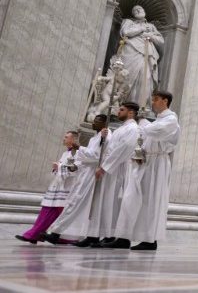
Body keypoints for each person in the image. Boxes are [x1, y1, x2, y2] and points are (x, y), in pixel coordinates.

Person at [106, 91, 180, 251]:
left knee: (150, 201)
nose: (153, 102)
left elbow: (155, 131)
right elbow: (144, 139)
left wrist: (143, 123)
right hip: (145, 162)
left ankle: (149, 239)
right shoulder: (158, 120)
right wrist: (138, 153)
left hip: (157, 164)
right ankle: (124, 237)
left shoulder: (171, 119)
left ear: (165, 101)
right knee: (130, 198)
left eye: (156, 100)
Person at [44, 116, 109, 246]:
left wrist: (79, 148)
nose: (93, 123)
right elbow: (86, 157)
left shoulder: (106, 136)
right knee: (74, 203)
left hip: (92, 175)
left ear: (104, 123)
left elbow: (97, 156)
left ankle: (57, 234)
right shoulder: (94, 138)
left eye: (96, 121)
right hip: (85, 173)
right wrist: (76, 165)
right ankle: (63, 234)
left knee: (75, 203)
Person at [16, 131, 80, 244]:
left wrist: (59, 166)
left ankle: (35, 235)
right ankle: (36, 234)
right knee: (46, 212)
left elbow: (75, 170)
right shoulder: (66, 153)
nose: (63, 139)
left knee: (52, 214)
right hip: (58, 187)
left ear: (73, 140)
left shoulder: (77, 153)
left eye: (66, 137)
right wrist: (57, 168)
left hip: (65, 189)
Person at [90, 102, 140, 247]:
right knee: (108, 202)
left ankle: (114, 235)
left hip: (119, 169)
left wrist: (105, 167)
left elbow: (123, 149)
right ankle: (108, 234)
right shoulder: (121, 129)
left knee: (115, 202)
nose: (118, 112)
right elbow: (111, 148)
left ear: (131, 113)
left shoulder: (133, 128)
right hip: (111, 168)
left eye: (122, 110)